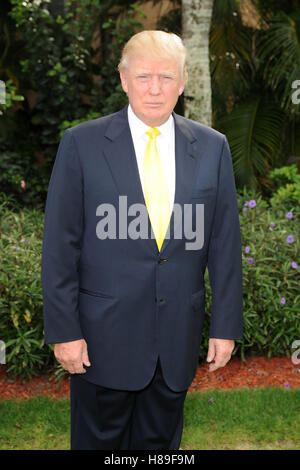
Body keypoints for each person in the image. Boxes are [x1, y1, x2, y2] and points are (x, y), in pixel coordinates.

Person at [41, 30, 243, 450]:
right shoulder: (81, 143)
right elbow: (60, 246)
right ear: (123, 78)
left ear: (183, 81)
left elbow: (224, 246)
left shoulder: (212, 148)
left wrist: (225, 327)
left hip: (175, 343)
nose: (155, 88)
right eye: (144, 76)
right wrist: (64, 331)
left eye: (166, 77)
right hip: (99, 344)